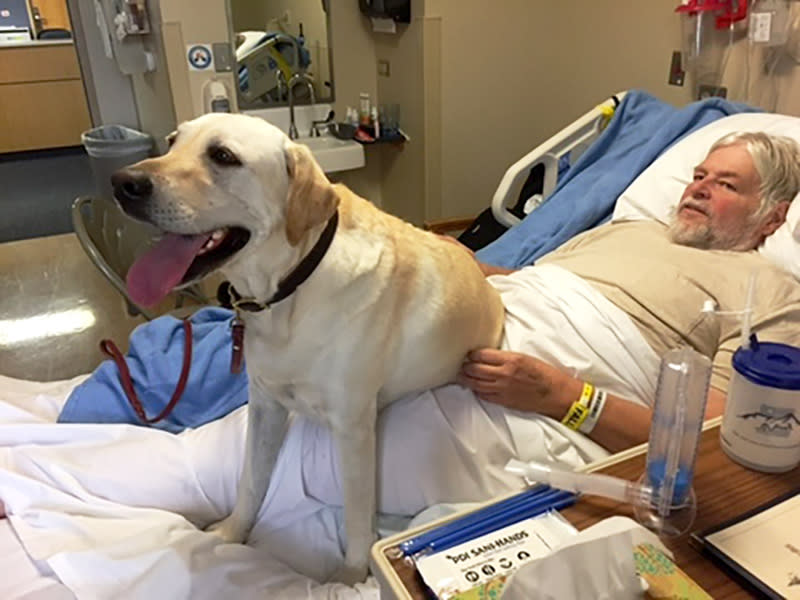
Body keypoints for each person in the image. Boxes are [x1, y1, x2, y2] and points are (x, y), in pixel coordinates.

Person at [457, 130, 800, 453]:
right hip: (494, 313)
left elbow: (709, 441)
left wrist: (563, 396)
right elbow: (536, 282)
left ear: (772, 217)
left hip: (555, 379)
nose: (698, 189)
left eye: (726, 184)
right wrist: (473, 267)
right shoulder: (631, 229)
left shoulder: (772, 290)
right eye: (698, 177)